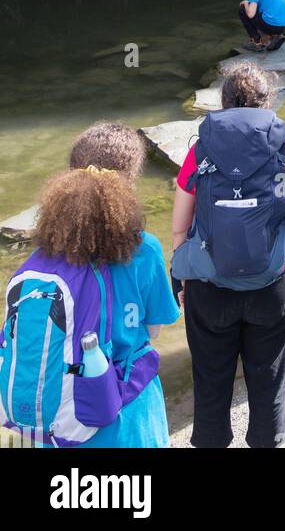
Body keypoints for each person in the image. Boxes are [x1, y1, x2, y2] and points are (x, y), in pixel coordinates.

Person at [172, 63, 285, 449]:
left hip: (210, 287)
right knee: (268, 379)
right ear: (268, 101)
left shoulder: (200, 150)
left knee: (210, 380)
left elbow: (180, 228)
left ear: (223, 100)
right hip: (272, 285)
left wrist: (183, 278)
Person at [14, 163, 178, 448]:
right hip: (129, 410)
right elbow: (154, 330)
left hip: (59, 414)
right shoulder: (143, 251)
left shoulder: (40, 263)